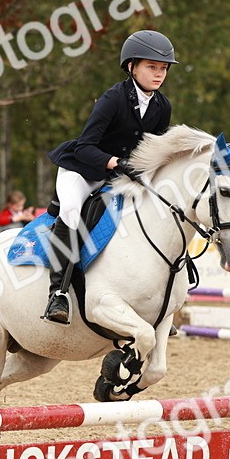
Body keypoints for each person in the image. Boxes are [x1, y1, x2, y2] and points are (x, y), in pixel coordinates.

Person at [42, 29, 176, 323]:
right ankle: (57, 294)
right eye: (152, 67)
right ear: (131, 67)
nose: (159, 74)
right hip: (83, 168)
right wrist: (116, 162)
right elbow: (85, 146)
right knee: (72, 212)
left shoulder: (161, 106)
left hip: (120, 175)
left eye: (163, 68)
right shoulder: (112, 99)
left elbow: (155, 147)